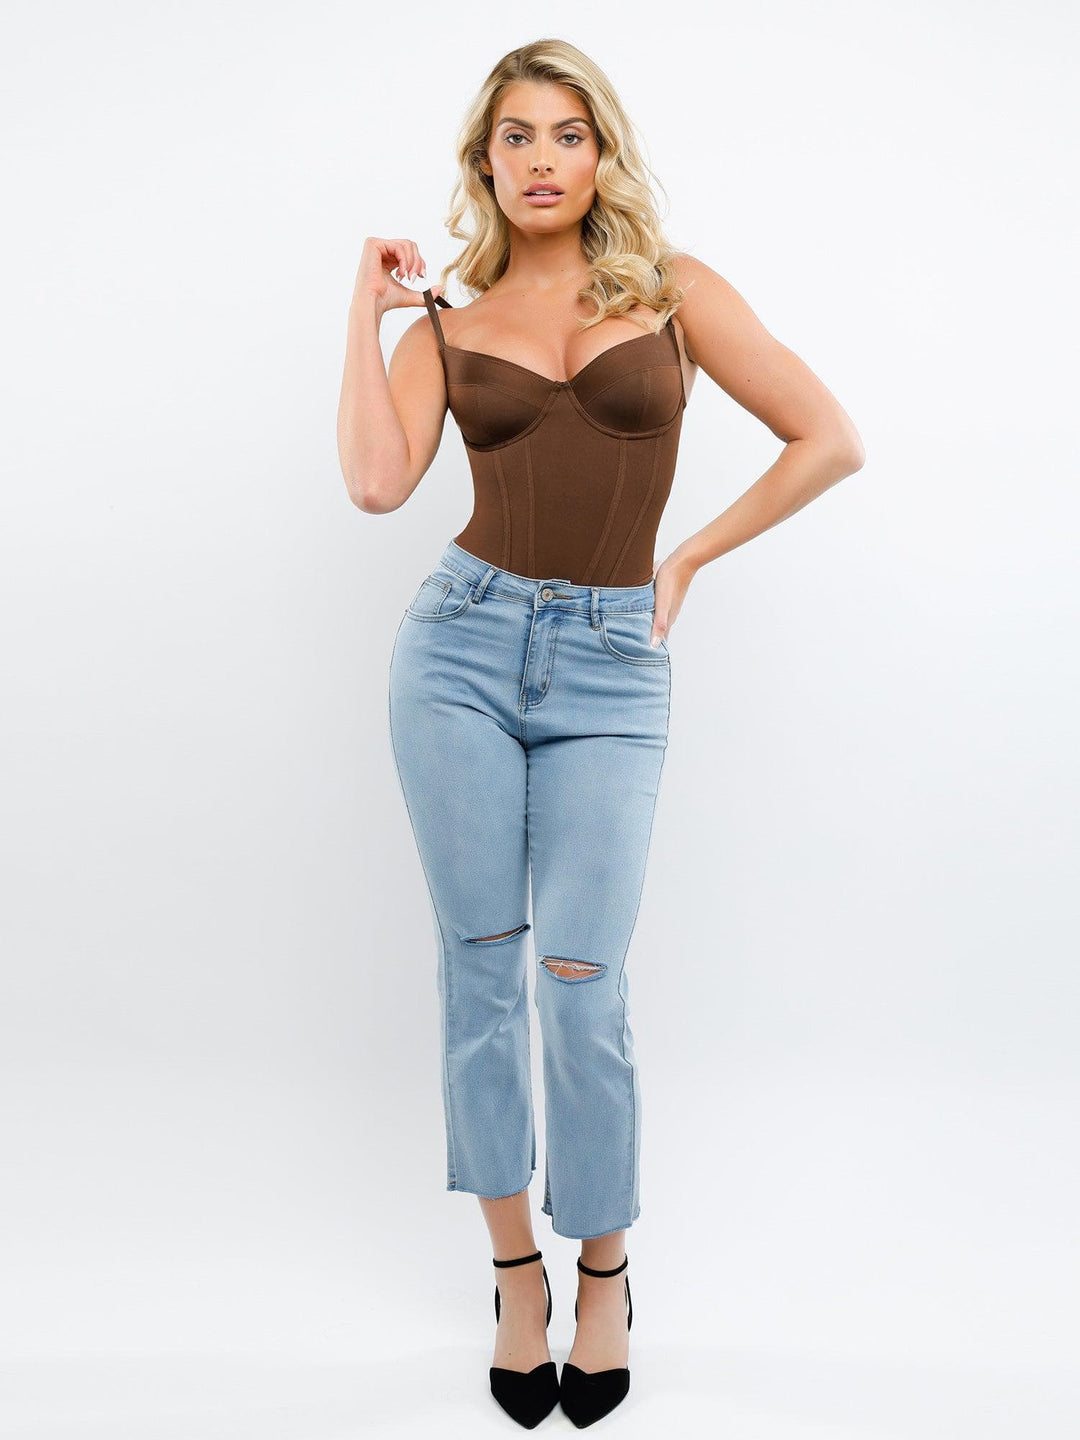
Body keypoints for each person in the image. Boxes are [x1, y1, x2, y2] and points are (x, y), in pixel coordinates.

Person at [338, 38, 864, 1429]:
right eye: (515, 137)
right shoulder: (444, 329)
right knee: (480, 975)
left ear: (602, 153)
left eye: (567, 134)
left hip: (613, 668)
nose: (541, 160)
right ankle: (516, 1275)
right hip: (458, 650)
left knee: (581, 981)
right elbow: (378, 485)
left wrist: (684, 559)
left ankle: (607, 1273)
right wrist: (365, 314)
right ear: (484, 162)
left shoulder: (675, 294)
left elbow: (827, 437)